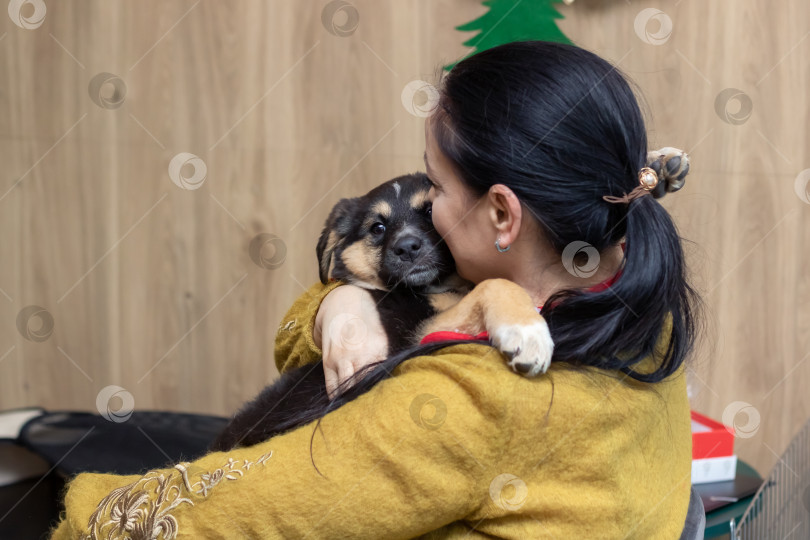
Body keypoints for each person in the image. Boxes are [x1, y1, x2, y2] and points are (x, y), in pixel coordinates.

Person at [49, 40, 705, 539]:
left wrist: (77, 511)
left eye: (436, 192)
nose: (428, 219)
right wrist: (343, 304)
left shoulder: (473, 401)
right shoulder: (640, 311)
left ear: (503, 215)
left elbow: (225, 517)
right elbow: (313, 342)